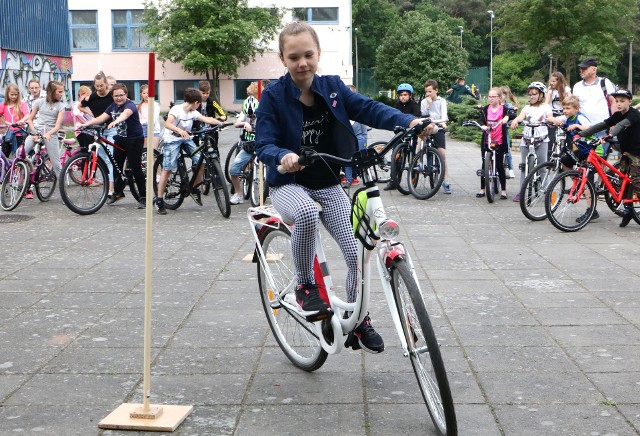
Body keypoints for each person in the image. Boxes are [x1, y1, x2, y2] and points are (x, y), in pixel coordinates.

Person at [255, 21, 424, 353]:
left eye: (308, 55)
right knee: (303, 213)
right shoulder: (273, 96)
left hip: (328, 180)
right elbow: (263, 143)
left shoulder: (332, 88)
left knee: (358, 250)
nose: (302, 63)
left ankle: (359, 321)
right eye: (294, 57)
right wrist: (284, 155)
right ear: (283, 59)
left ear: (318, 54)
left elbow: (368, 108)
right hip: (289, 182)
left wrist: (409, 121)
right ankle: (305, 285)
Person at [577, 89, 640, 227]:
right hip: (626, 153)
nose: (618, 104)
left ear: (630, 102)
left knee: (636, 181)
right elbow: (602, 125)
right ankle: (628, 211)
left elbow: (621, 125)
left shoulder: (634, 115)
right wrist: (582, 134)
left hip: (637, 153)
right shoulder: (617, 115)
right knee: (623, 183)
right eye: (617, 101)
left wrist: (609, 136)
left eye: (622, 101)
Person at [154, 88, 222, 215]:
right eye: (199, 103)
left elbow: (207, 119)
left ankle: (194, 189)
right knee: (167, 169)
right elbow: (167, 124)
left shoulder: (193, 112)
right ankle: (159, 199)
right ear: (196, 102)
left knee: (201, 161)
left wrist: (221, 123)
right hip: (172, 139)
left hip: (186, 139)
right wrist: (179, 131)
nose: (199, 105)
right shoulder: (176, 110)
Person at [79, 83, 147, 209]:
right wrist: (85, 124)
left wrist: (116, 121)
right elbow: (101, 118)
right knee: (116, 167)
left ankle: (143, 197)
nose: (119, 98)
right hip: (120, 139)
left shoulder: (130, 105)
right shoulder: (113, 106)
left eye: (121, 95)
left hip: (134, 140)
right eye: (116, 96)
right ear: (113, 96)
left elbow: (125, 115)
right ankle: (118, 192)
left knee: (135, 168)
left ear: (126, 95)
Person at [510, 82, 553, 202]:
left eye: (534, 94)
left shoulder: (546, 107)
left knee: (542, 167)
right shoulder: (526, 108)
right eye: (529, 94)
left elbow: (549, 116)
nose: (531, 96)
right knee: (524, 167)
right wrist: (515, 120)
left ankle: (547, 191)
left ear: (541, 95)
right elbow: (521, 117)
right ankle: (522, 191)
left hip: (542, 140)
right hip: (527, 139)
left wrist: (552, 120)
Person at [80, 72, 117, 201]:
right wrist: (91, 115)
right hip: (98, 129)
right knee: (101, 157)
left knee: (111, 158)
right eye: (97, 86)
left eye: (101, 85)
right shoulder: (92, 97)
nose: (99, 88)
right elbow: (80, 105)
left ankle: (112, 189)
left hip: (112, 129)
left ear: (106, 84)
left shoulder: (112, 96)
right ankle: (109, 182)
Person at [476, 88, 516, 199]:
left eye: (494, 96)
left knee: (499, 165)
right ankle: (482, 189)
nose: (491, 99)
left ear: (499, 97)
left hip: (499, 140)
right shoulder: (485, 109)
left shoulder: (504, 109)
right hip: (487, 140)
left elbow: (513, 114)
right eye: (490, 96)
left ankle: (503, 190)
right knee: (485, 164)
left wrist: (507, 117)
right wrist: (482, 125)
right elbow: (480, 120)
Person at [24, 80, 66, 177]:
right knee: (20, 153)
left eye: (62, 92)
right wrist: (34, 132)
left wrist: (48, 134)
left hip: (50, 134)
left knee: (56, 164)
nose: (61, 94)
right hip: (37, 132)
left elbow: (57, 126)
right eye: (59, 92)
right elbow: (30, 119)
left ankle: (62, 185)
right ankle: (23, 177)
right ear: (52, 91)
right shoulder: (39, 102)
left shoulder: (61, 106)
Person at [384, 83, 420, 191]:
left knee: (412, 158)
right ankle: (394, 181)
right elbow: (393, 115)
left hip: (412, 134)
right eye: (401, 95)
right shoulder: (397, 105)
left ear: (410, 95)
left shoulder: (414, 105)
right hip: (400, 135)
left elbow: (417, 115)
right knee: (396, 158)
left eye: (405, 94)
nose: (403, 97)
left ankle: (412, 181)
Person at [229, 87, 259, 204]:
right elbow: (236, 124)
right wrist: (245, 123)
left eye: (253, 116)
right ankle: (238, 193)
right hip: (248, 146)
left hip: (262, 145)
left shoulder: (265, 112)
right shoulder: (245, 111)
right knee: (234, 169)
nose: (252, 118)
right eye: (249, 116)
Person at [420, 79, 451, 193]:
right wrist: (428, 106)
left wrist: (441, 122)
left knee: (442, 153)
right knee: (420, 140)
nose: (427, 94)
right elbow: (423, 116)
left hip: (438, 127)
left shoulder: (441, 101)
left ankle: (446, 180)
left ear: (436, 90)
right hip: (428, 127)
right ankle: (418, 163)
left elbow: (444, 116)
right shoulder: (424, 102)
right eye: (426, 92)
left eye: (430, 91)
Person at [572, 58, 615, 138]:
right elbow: (574, 107)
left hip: (602, 128)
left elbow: (613, 103)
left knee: (601, 150)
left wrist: (614, 123)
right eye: (581, 69)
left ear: (594, 69)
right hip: (583, 128)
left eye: (584, 68)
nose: (581, 71)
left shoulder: (605, 82)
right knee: (582, 150)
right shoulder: (577, 86)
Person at [343, 84, 368, 186]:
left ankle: (357, 177)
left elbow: (363, 131)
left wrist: (364, 143)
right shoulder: (341, 109)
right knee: (347, 158)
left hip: (358, 138)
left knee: (359, 158)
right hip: (346, 139)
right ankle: (348, 178)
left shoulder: (359, 110)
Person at [545, 72, 572, 159]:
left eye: (554, 81)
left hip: (564, 113)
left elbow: (571, 100)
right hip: (553, 113)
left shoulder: (566, 89)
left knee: (567, 135)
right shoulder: (550, 91)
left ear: (559, 81)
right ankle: (549, 157)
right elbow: (546, 103)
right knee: (551, 136)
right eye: (551, 81)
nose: (551, 83)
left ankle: (566, 155)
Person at [0, 83, 30, 158]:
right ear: (7, 94)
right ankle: (5, 169)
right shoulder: (3, 105)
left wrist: (22, 120)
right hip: (8, 133)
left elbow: (27, 115)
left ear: (18, 95)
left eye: (15, 95)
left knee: (18, 156)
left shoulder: (22, 104)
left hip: (19, 134)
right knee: (4, 155)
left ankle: (18, 168)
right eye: (12, 94)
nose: (14, 96)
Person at [499, 85, 518, 178]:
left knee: (507, 150)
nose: (502, 96)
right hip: (495, 130)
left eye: (504, 94)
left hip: (504, 130)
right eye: (500, 94)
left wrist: (514, 113)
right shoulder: (495, 105)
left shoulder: (508, 106)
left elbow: (513, 116)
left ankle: (510, 169)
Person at [138, 84, 161, 150]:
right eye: (144, 93)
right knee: (144, 151)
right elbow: (139, 118)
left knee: (153, 152)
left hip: (153, 130)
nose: (146, 95)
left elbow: (153, 119)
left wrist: (144, 122)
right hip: (142, 129)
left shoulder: (155, 105)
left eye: (148, 93)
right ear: (141, 94)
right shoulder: (140, 105)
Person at [72, 85, 94, 149]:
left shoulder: (86, 106)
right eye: (87, 95)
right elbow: (77, 114)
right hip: (81, 131)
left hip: (90, 131)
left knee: (91, 149)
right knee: (86, 149)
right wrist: (88, 123)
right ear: (81, 95)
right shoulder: (76, 105)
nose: (88, 98)